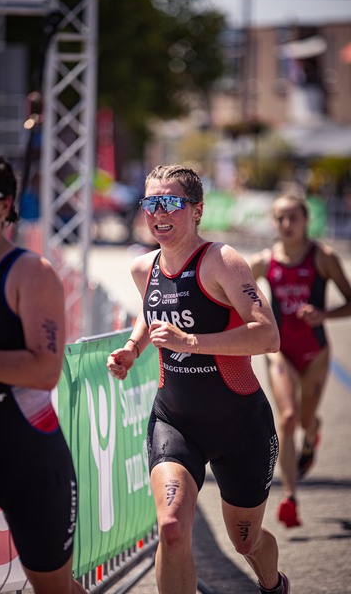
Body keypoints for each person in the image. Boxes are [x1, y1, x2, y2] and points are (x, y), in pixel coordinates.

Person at [107, 165, 290, 594]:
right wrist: (133, 349)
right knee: (171, 529)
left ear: (197, 211)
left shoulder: (222, 261)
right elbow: (151, 311)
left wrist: (190, 341)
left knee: (245, 540)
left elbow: (268, 335)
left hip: (240, 423)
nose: (159, 213)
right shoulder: (142, 268)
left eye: (171, 202)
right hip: (176, 421)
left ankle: (273, 583)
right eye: (151, 203)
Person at [0, 150, 86, 594]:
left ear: (3, 205)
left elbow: (45, 371)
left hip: (30, 458)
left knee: (56, 589)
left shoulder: (30, 273)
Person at [250, 190, 351, 528]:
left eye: (294, 217)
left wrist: (323, 314)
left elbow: (350, 302)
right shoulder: (264, 261)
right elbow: (228, 292)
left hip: (316, 351)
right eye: (280, 217)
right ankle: (290, 497)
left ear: (307, 220)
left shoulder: (323, 257)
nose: (287, 223)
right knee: (288, 417)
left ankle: (315, 432)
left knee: (306, 419)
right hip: (282, 351)